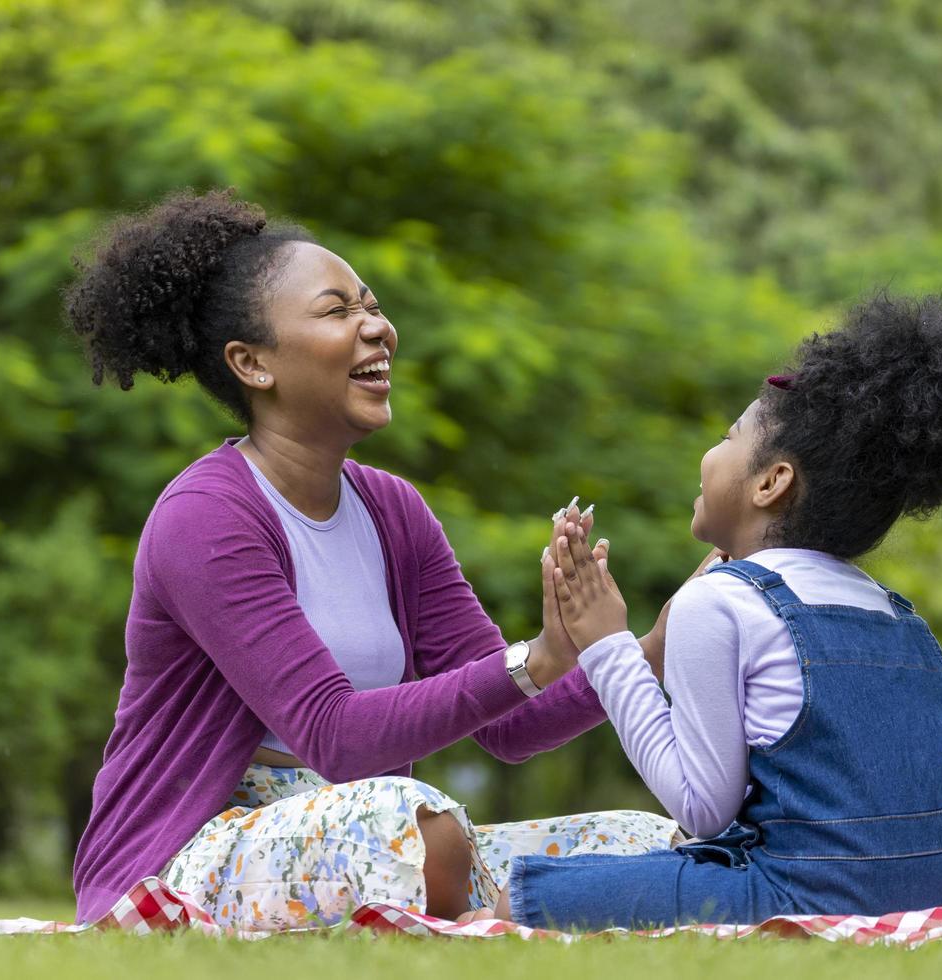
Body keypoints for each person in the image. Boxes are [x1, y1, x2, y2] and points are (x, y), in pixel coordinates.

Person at [62, 187, 681, 928]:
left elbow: (513, 728)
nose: (378, 329)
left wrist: (658, 646)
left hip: (369, 826)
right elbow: (337, 734)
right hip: (198, 851)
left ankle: (479, 916)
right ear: (252, 363)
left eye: (373, 307)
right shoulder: (207, 517)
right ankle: (480, 918)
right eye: (338, 312)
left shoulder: (393, 510)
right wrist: (537, 658)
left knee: (646, 842)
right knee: (419, 828)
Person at [482, 294, 942, 930]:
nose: (709, 454)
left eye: (727, 438)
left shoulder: (719, 602)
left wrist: (606, 646)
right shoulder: (896, 613)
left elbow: (701, 807)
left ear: (770, 483)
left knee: (519, 902)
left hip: (810, 899)